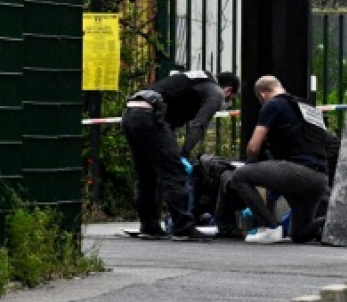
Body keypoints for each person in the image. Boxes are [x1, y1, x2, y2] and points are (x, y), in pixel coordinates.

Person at [121, 69, 239, 240]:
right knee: (175, 172)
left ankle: (149, 226)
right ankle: (183, 227)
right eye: (230, 99)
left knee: (147, 174)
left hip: (131, 114)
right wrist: (183, 154)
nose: (227, 102)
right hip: (149, 114)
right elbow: (199, 124)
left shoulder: (193, 80)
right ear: (228, 90)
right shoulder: (215, 92)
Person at [226, 74, 332, 245]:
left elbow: (253, 148)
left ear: (262, 95)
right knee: (299, 234)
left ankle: (270, 226)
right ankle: (333, 220)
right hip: (320, 179)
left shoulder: (273, 104)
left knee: (240, 175)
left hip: (297, 172)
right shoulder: (307, 107)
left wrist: (253, 162)